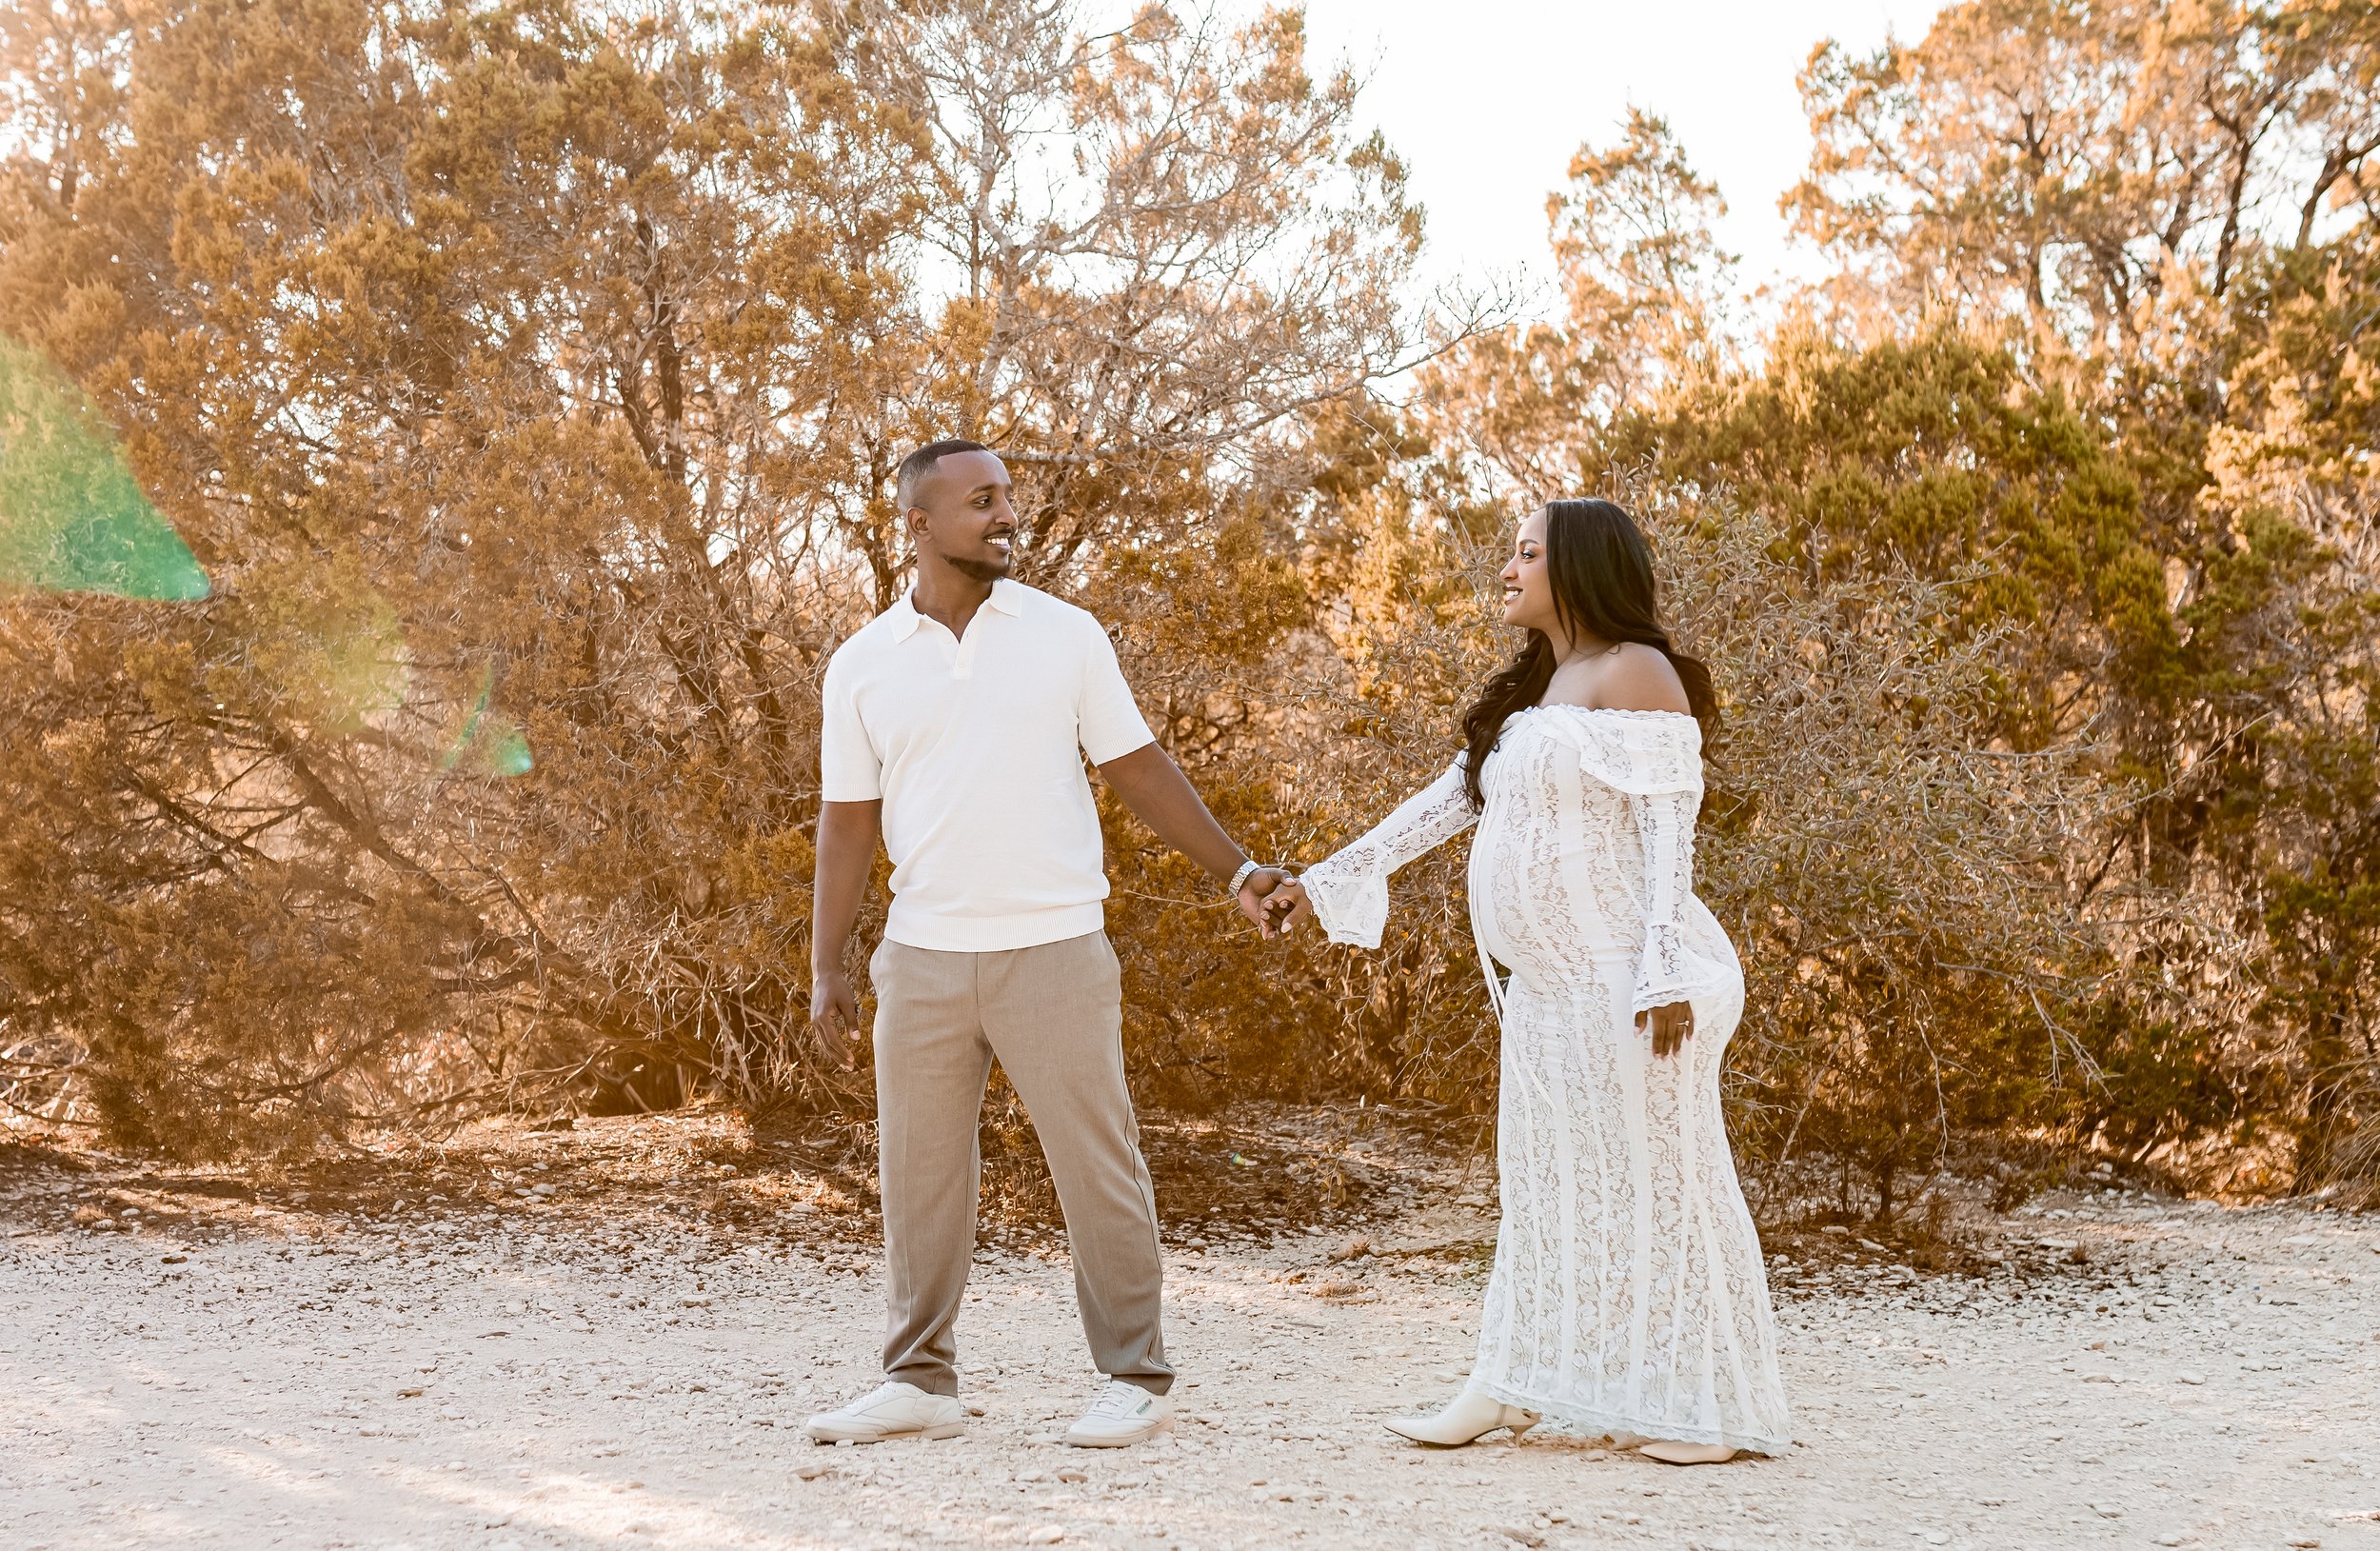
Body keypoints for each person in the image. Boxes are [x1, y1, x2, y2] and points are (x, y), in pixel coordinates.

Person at [1266, 498, 1792, 1464]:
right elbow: (1446, 803)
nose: (1505, 569)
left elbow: (1669, 832)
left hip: (1627, 984)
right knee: (1545, 1186)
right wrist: (1327, 878)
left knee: (1661, 1184)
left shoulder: (1637, 671)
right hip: (1546, 989)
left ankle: (1711, 1408)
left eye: (1525, 553)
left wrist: (1662, 972)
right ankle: (1510, 1384)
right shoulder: (1545, 686)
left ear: (1580, 565)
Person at [803, 438, 1289, 1450]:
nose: (1005, 514)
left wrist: (1238, 872)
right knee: (919, 1174)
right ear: (918, 524)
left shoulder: (1065, 637)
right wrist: (827, 964)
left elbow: (1139, 768)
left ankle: (1135, 1376)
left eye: (1008, 497)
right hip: (923, 958)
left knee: (1095, 1163)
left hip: (1055, 949)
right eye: (981, 500)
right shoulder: (861, 664)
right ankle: (919, 1381)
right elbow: (846, 822)